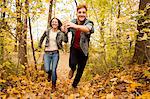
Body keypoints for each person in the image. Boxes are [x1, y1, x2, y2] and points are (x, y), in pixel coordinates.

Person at [62, 3, 94, 88]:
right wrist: (64, 29)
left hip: (84, 50)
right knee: (72, 63)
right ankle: (72, 69)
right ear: (77, 13)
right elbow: (66, 31)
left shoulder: (89, 22)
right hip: (74, 48)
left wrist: (75, 26)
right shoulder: (73, 21)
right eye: (80, 12)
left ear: (86, 14)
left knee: (80, 70)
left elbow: (88, 29)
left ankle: (74, 86)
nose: (82, 14)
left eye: (84, 12)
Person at [38, 18, 68, 92]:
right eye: (53, 22)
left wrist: (65, 32)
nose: (54, 23)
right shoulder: (47, 30)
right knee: (48, 69)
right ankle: (49, 74)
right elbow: (42, 38)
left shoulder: (60, 33)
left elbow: (66, 40)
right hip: (47, 53)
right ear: (51, 23)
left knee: (54, 70)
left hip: (55, 53)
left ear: (58, 24)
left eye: (56, 22)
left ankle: (53, 86)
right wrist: (39, 45)